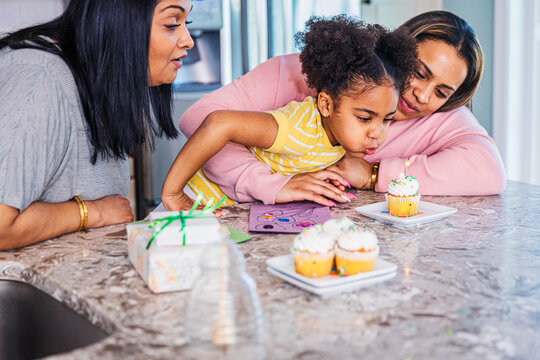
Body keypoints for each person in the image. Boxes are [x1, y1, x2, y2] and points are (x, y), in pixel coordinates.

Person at [177, 10, 506, 207]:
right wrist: (267, 182)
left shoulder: (439, 115)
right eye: (419, 73)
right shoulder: (312, 73)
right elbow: (200, 118)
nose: (422, 95)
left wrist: (373, 174)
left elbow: (490, 173)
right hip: (213, 208)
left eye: (442, 91)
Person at [161, 16, 418, 210]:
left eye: (387, 119)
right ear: (326, 105)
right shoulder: (298, 126)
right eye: (364, 118)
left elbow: (301, 159)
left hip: (229, 212)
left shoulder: (342, 135)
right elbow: (218, 122)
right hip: (192, 204)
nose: (377, 133)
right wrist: (173, 193)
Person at [0, 0, 194, 250]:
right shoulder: (39, 79)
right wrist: (91, 212)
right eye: (171, 24)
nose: (188, 40)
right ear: (119, 20)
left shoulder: (101, 82)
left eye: (185, 23)